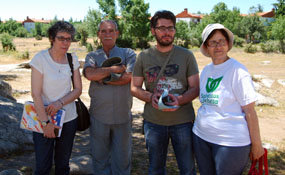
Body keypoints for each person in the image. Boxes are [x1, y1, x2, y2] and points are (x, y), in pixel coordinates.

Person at [131, 10, 199, 175]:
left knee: (188, 169)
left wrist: (180, 100)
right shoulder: (143, 56)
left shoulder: (187, 55)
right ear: (153, 30)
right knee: (155, 169)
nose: (167, 32)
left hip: (183, 122)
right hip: (154, 123)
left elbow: (195, 88)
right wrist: (151, 97)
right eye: (162, 28)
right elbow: (134, 87)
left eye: (171, 28)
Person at [192, 23, 264, 175]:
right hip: (201, 137)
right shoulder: (206, 71)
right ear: (206, 46)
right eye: (213, 42)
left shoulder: (238, 71)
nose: (218, 46)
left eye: (222, 41)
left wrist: (257, 144)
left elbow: (250, 111)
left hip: (230, 143)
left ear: (228, 44)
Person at [83, 20, 136, 175]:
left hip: (123, 116)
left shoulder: (128, 54)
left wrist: (102, 78)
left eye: (111, 31)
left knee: (123, 160)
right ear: (98, 34)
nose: (107, 34)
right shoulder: (92, 56)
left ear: (117, 33)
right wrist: (114, 70)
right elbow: (89, 74)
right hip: (99, 116)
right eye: (103, 31)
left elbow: (128, 77)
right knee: (100, 159)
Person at [30, 21, 82, 175]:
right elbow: (36, 94)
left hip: (69, 120)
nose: (66, 43)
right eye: (61, 38)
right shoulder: (40, 59)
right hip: (44, 119)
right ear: (52, 38)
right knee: (42, 167)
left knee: (62, 166)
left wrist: (60, 103)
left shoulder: (72, 58)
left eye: (69, 39)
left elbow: (78, 89)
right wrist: (45, 123)